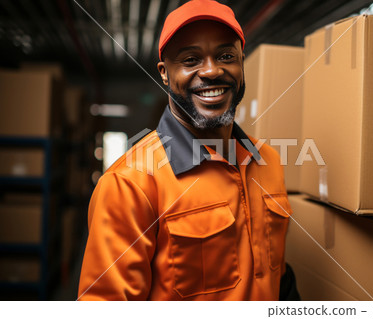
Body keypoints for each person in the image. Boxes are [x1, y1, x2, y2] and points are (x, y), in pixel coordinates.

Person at [78, 0, 299, 301]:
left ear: (241, 63)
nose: (211, 71)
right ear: (165, 74)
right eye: (191, 60)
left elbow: (277, 276)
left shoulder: (268, 161)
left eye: (225, 55)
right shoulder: (130, 183)